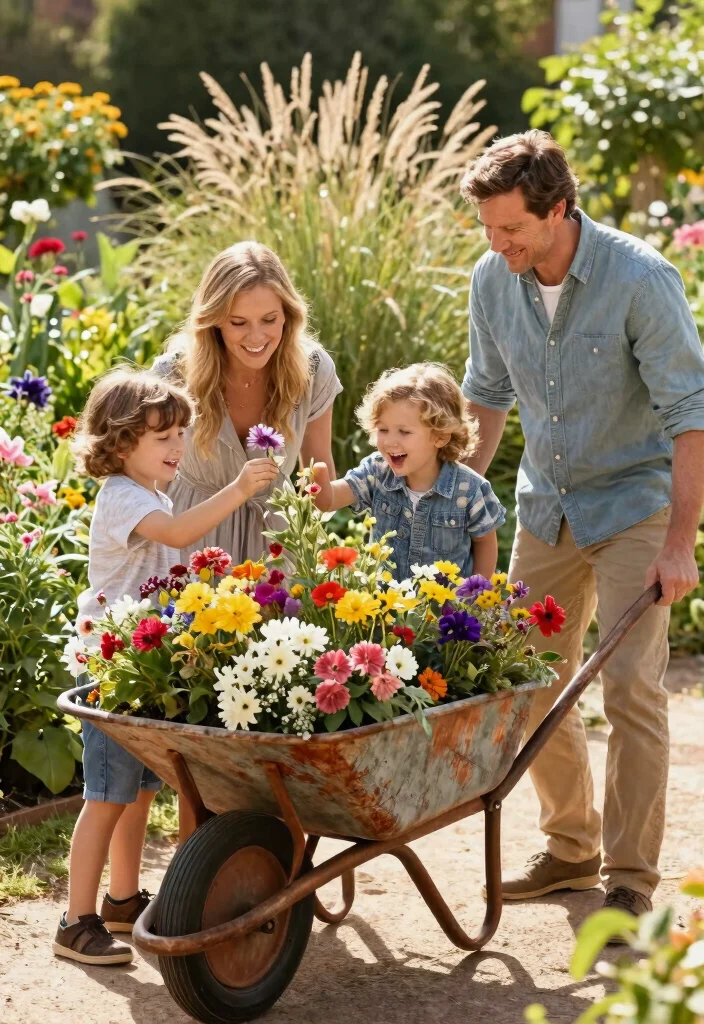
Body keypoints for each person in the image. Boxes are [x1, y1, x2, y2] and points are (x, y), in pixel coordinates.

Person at [459, 129, 704, 926]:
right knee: (525, 683)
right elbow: (486, 398)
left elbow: (691, 415)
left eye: (512, 230)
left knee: (632, 685)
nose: (498, 245)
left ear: (558, 209)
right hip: (548, 503)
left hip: (636, 502)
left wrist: (679, 544)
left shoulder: (640, 279)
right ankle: (572, 849)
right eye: (489, 230)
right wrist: (459, 504)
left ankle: (630, 876)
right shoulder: (494, 281)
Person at [53, 367, 279, 966]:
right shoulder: (125, 498)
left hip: (141, 667)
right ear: (120, 443)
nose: (178, 446)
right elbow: (179, 531)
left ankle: (122, 901)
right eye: (163, 438)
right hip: (110, 669)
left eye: (181, 432)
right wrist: (236, 490)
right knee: (105, 795)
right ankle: (75, 921)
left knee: (139, 792)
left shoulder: (150, 491)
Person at [153, 241, 342, 564]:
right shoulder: (173, 374)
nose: (256, 338)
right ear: (214, 321)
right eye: (238, 323)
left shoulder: (313, 370)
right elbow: (149, 486)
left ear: (288, 315)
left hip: (275, 549)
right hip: (191, 545)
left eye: (269, 320)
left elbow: (320, 482)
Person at [312, 362, 505, 581]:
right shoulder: (377, 471)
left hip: (444, 610)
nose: (390, 441)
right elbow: (329, 500)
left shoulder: (469, 489)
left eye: (404, 432)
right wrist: (318, 481)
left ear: (440, 436)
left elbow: (485, 541)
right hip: (384, 607)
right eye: (383, 430)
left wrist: (476, 590)